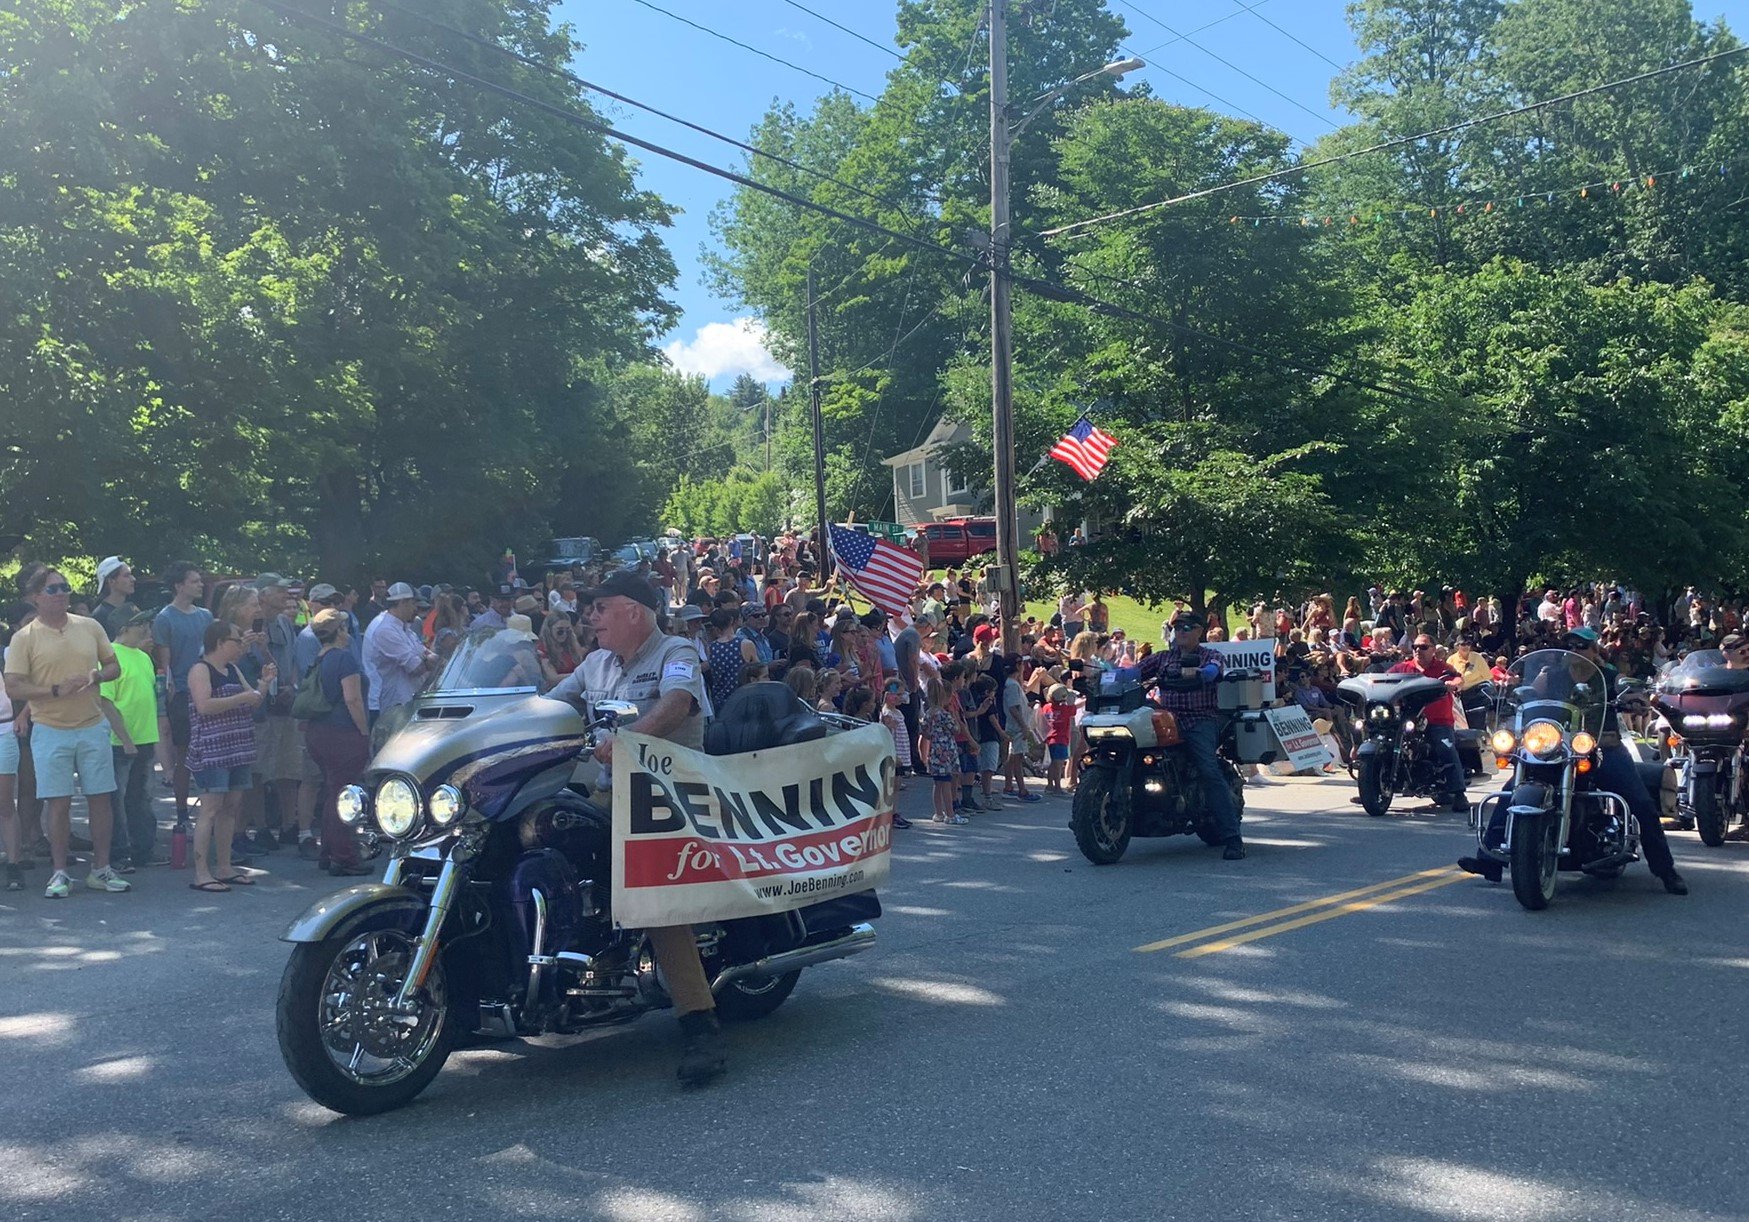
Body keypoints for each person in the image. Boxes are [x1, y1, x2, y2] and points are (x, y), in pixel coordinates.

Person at [546, 571, 727, 1086]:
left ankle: (699, 1023)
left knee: (653, 896)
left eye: (600, 608)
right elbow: (549, 703)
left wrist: (627, 739)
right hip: (611, 791)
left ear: (635, 610)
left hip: (669, 796)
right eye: (589, 609)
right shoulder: (596, 663)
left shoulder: (676, 653)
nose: (590, 618)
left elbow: (676, 705)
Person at [1461, 627, 1687, 895]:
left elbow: (1628, 692)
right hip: (1556, 747)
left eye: (1581, 647)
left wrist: (1634, 701)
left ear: (1594, 651)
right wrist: (1511, 697)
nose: (1574, 652)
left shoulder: (1609, 675)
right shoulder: (1552, 675)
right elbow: (1528, 694)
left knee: (1639, 802)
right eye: (1569, 646)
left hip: (1603, 747)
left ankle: (1665, 871)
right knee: (1511, 792)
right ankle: (1489, 861)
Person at [3, 567, 130, 898]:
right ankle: (59, 873)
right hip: (50, 728)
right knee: (58, 803)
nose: (61, 593)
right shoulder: (24, 637)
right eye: (53, 589)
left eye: (65, 587)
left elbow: (114, 665)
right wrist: (55, 691)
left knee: (101, 798)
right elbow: (14, 687)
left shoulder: (90, 626)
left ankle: (101, 869)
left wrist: (97, 676)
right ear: (34, 597)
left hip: (92, 724)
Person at [1140, 610, 1245, 859]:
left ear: (1199, 631)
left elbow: (1213, 670)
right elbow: (1135, 671)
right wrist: (1104, 674)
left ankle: (1233, 838)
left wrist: (1201, 673)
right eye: (1177, 628)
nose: (1181, 633)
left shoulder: (1211, 655)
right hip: (1167, 719)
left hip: (1199, 720)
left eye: (1187, 628)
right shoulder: (1163, 658)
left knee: (1208, 769)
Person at [184, 620, 272, 891]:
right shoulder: (200, 670)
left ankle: (224, 866)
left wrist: (264, 684)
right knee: (210, 809)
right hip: (211, 751)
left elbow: (253, 699)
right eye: (236, 640)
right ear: (220, 642)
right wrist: (240, 699)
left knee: (231, 807)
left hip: (237, 749)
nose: (241, 645)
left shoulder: (233, 669)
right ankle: (201, 873)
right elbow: (205, 706)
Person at [301, 609, 372, 876]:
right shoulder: (344, 659)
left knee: (332, 791)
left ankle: (328, 852)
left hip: (318, 734)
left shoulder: (318, 659)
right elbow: (352, 699)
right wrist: (364, 733)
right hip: (342, 734)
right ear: (340, 630)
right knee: (343, 795)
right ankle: (344, 857)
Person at [99, 611, 161, 872]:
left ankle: (142, 850)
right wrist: (125, 738)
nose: (148, 629)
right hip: (119, 741)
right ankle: (118, 854)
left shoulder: (144, 657)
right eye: (142, 624)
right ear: (124, 627)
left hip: (145, 739)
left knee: (142, 797)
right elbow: (105, 700)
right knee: (117, 799)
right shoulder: (109, 657)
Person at [154, 562, 213, 826]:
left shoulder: (205, 616)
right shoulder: (165, 618)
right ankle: (180, 812)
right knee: (185, 755)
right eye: (194, 581)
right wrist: (167, 696)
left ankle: (211, 810)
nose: (200, 584)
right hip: (182, 693)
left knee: (211, 753)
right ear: (179, 586)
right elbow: (164, 664)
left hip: (208, 688)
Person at [1386, 635, 1468, 812]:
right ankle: (1372, 786)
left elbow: (1458, 679)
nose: (1417, 650)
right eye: (1415, 646)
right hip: (1407, 721)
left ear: (1433, 650)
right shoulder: (1402, 668)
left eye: (1423, 647)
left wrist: (1452, 684)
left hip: (1438, 722)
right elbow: (1384, 679)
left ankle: (1459, 793)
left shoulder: (1442, 667)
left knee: (1445, 747)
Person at [363, 583, 437, 726]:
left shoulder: (405, 628)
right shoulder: (385, 630)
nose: (415, 608)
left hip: (408, 703)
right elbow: (415, 668)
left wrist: (424, 658)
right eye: (413, 603)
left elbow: (428, 656)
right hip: (393, 707)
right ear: (402, 602)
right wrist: (425, 659)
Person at [91, 556, 139, 641]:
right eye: (126, 576)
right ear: (111, 581)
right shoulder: (100, 616)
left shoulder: (132, 609)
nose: (133, 579)